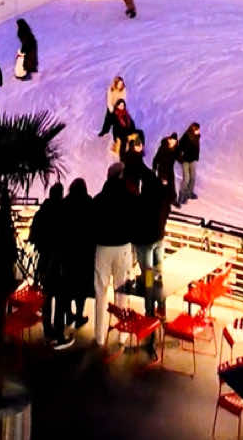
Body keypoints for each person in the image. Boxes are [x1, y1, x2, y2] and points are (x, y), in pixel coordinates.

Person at [92, 165, 136, 348]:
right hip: (123, 248)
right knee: (122, 292)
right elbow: (135, 222)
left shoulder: (98, 199)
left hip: (103, 248)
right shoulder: (130, 198)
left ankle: (99, 336)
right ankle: (122, 334)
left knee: (100, 292)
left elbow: (92, 224)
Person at [131, 153, 172, 324]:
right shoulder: (163, 199)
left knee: (148, 277)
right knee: (158, 275)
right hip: (159, 240)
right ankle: (161, 307)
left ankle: (149, 312)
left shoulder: (141, 202)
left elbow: (135, 221)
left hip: (145, 243)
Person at [30, 183, 73, 349]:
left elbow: (33, 237)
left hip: (45, 262)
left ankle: (47, 331)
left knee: (46, 299)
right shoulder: (65, 212)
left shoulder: (41, 213)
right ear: (61, 195)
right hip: (61, 264)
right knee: (61, 300)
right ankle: (59, 335)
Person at [61, 177, 95, 333]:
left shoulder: (65, 203)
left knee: (67, 285)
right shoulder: (89, 203)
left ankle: (68, 314)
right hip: (84, 253)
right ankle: (79, 316)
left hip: (68, 252)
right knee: (82, 287)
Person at [100, 98, 137, 162]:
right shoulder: (115, 114)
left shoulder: (126, 114)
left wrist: (133, 131)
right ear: (117, 106)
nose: (122, 107)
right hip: (118, 132)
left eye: (123, 105)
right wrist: (104, 132)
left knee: (137, 135)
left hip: (126, 131)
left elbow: (131, 123)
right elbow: (109, 123)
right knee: (124, 140)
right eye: (120, 105)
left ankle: (133, 156)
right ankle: (122, 158)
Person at [177, 122, 201, 204]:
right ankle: (182, 196)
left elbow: (196, 148)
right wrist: (181, 156)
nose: (198, 130)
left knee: (193, 177)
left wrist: (196, 157)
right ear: (193, 129)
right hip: (185, 160)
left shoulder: (197, 136)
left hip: (193, 159)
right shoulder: (186, 136)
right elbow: (179, 146)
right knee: (186, 178)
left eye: (198, 129)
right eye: (197, 129)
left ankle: (189, 193)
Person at [152, 134, 179, 207]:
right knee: (163, 185)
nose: (173, 143)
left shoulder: (175, 149)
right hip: (162, 169)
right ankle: (161, 201)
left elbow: (178, 157)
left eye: (175, 142)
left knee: (171, 185)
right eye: (172, 141)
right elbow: (156, 159)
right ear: (169, 139)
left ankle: (173, 199)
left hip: (170, 169)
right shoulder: (163, 147)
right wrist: (154, 168)